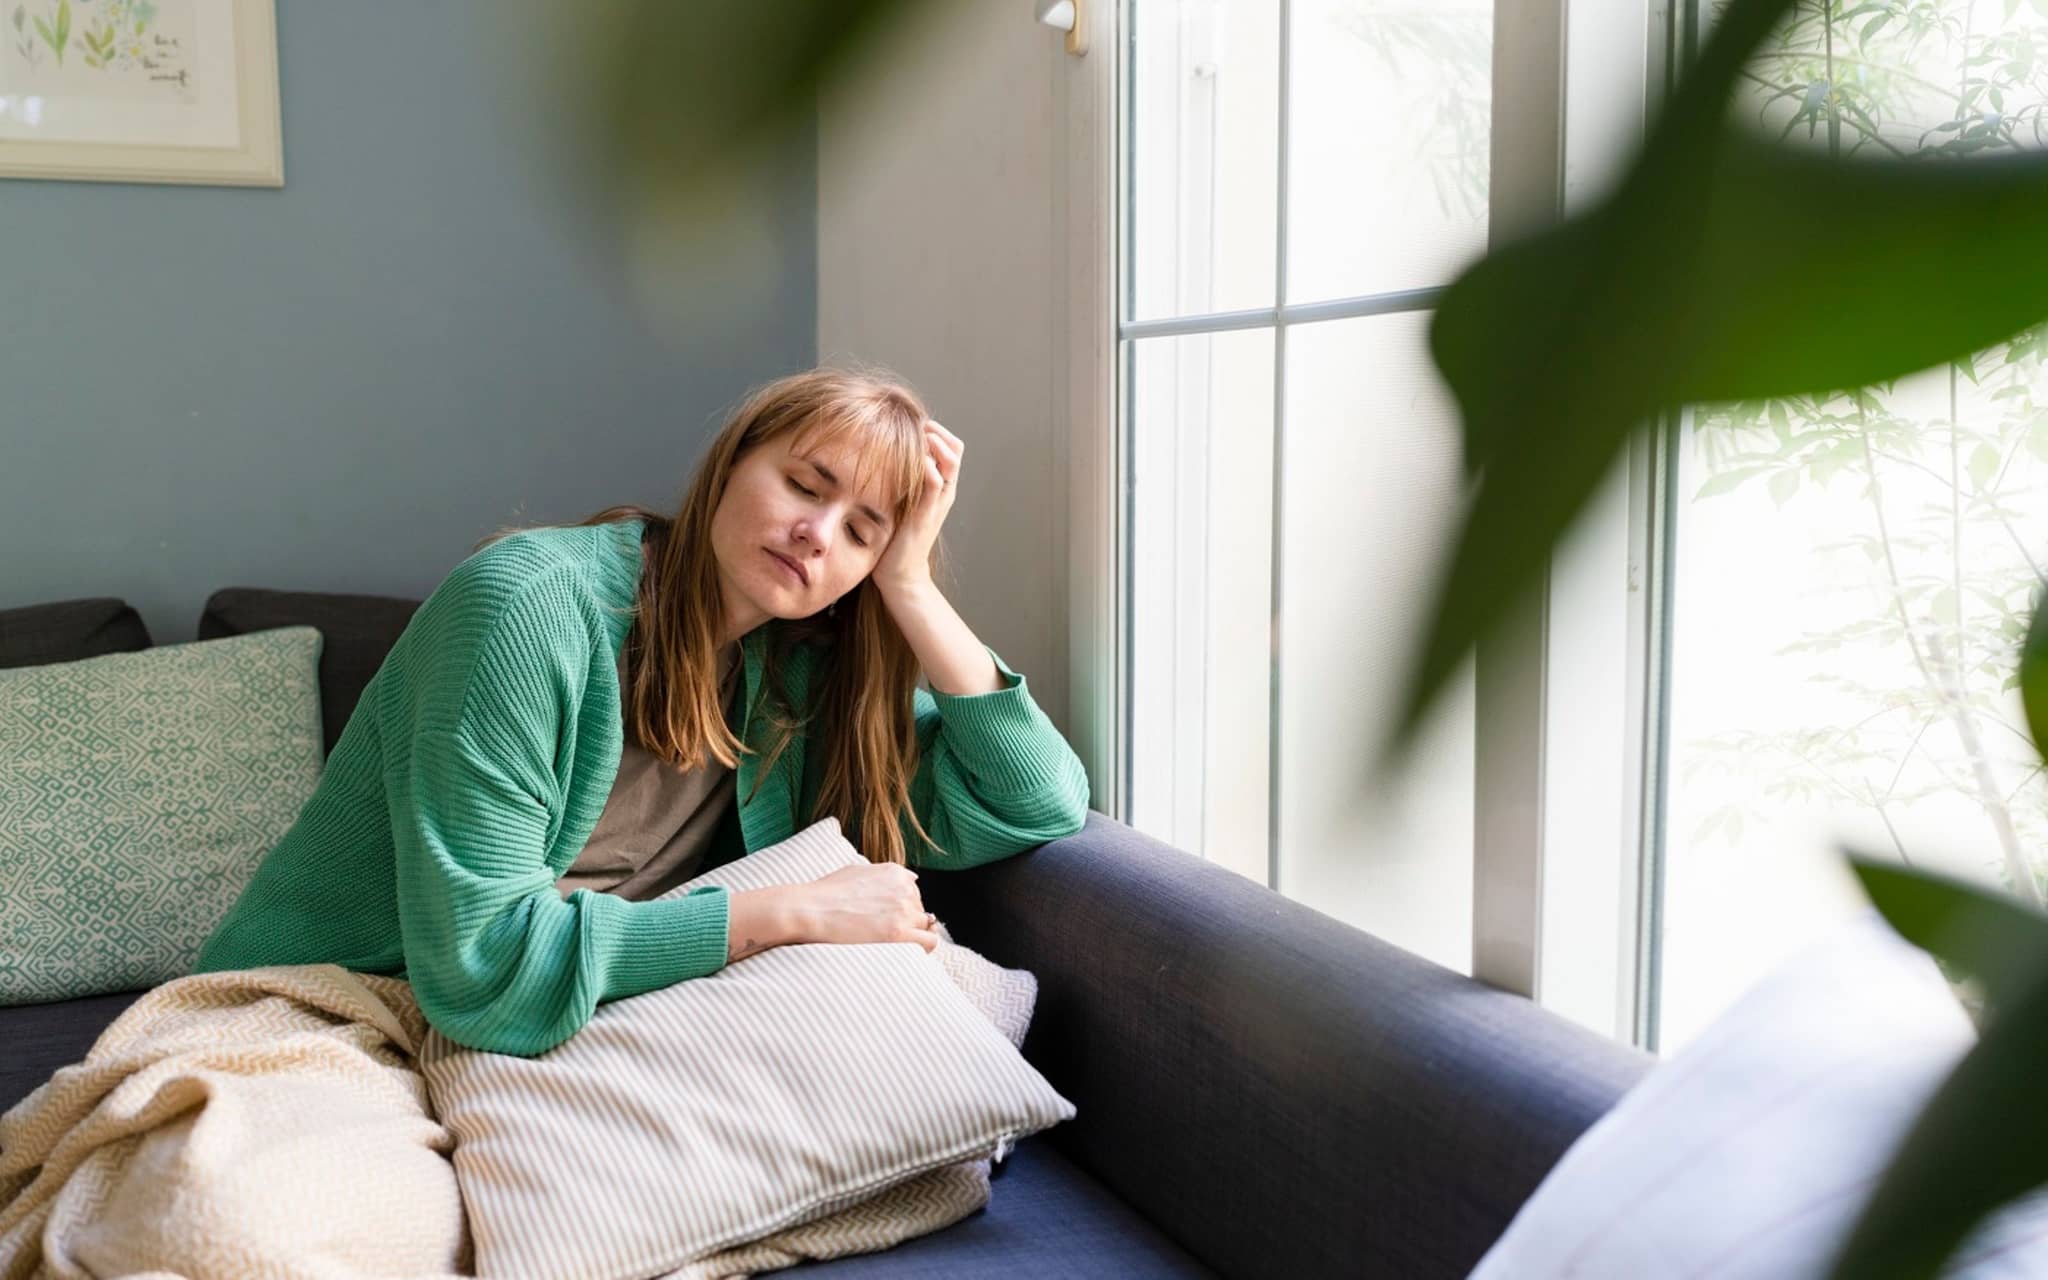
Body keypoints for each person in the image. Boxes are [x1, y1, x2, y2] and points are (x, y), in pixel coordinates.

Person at [194, 365, 1090, 1056]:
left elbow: (1036, 800)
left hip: (557, 1020)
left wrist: (911, 587)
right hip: (331, 1004)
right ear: (732, 461)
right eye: (806, 485)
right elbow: (485, 965)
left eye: (862, 531)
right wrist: (795, 912)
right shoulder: (524, 608)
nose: (820, 533)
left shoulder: (795, 684)